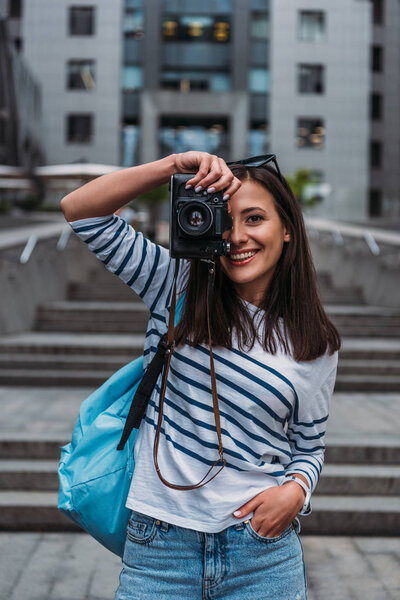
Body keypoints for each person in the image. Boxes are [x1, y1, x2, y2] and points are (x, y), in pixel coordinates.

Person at [61, 151, 341, 600]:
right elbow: (81, 210)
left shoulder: (315, 343)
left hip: (262, 553)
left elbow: (309, 444)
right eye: (224, 221)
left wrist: (296, 492)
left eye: (254, 218)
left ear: (287, 228)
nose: (238, 236)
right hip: (159, 548)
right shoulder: (174, 285)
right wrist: (173, 166)